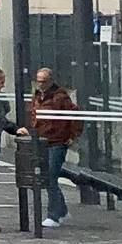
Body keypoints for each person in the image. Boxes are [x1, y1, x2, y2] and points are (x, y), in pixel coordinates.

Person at [30, 68, 82, 227]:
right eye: (38, 81)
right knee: (47, 177)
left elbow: (75, 116)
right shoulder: (38, 95)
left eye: (43, 81)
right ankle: (62, 211)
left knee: (51, 177)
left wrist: (72, 136)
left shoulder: (60, 97)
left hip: (57, 141)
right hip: (43, 140)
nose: (40, 84)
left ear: (50, 81)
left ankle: (54, 215)